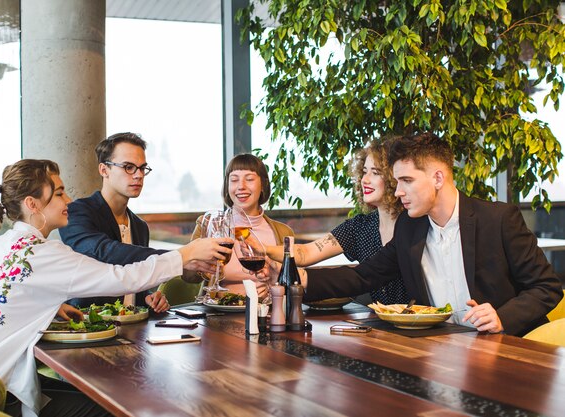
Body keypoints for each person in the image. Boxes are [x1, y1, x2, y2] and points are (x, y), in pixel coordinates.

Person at [0, 159, 230, 417]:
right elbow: (122, 278)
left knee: (102, 398)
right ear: (32, 204)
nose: (68, 199)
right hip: (1, 397)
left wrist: (51, 306)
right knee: (119, 406)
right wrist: (186, 253)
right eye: (58, 193)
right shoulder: (43, 254)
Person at [297, 132, 563, 337]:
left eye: (407, 181)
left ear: (437, 178)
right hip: (443, 347)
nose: (398, 191)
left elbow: (547, 287)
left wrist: (502, 317)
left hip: (510, 349)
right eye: (397, 181)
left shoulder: (498, 219)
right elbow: (364, 276)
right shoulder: (410, 228)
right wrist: (299, 278)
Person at [59, 132, 212, 311]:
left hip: (134, 328)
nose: (138, 175)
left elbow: (136, 276)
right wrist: (182, 255)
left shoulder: (139, 226)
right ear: (104, 169)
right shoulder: (77, 212)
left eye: (142, 168)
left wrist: (147, 297)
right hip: (88, 326)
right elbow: (104, 251)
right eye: (128, 167)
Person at [266, 138, 409, 305]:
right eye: (364, 171)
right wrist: (262, 251)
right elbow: (306, 253)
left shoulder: (414, 225)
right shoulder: (359, 227)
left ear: (395, 178)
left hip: (422, 323)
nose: (365, 180)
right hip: (380, 323)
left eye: (375, 172)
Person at [185, 154, 294, 296]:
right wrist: (203, 265)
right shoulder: (210, 224)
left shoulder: (283, 232)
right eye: (234, 180)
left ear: (263, 185)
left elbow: (294, 283)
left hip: (267, 313)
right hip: (219, 312)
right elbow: (188, 277)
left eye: (249, 179)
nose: (241, 187)